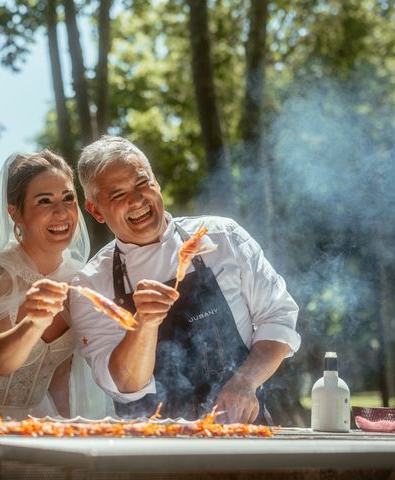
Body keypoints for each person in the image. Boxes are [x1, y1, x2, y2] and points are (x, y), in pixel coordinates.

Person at [70, 136, 301, 423]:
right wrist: (144, 324)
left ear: (156, 181)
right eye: (118, 195)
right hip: (154, 451)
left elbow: (278, 317)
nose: (137, 199)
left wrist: (246, 380)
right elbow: (125, 385)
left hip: (243, 432)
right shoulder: (90, 286)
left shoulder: (223, 238)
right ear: (95, 210)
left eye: (143, 183)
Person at [0, 150, 113, 419]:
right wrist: (34, 321)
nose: (61, 212)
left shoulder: (79, 279)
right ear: (15, 213)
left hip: (41, 421)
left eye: (68, 198)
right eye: (45, 201)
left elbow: (60, 378)